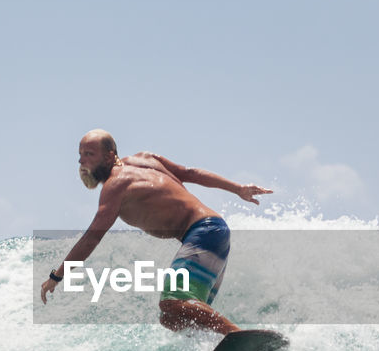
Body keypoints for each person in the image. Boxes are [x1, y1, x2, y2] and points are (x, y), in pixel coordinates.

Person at [39, 129, 272, 335]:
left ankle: (235, 336)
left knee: (173, 302)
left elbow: (93, 236)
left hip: (204, 231)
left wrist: (57, 276)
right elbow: (190, 173)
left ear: (111, 155)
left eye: (89, 154)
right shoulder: (145, 159)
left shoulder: (115, 185)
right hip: (215, 231)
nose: (82, 161)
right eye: (80, 155)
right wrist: (237, 188)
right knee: (172, 318)